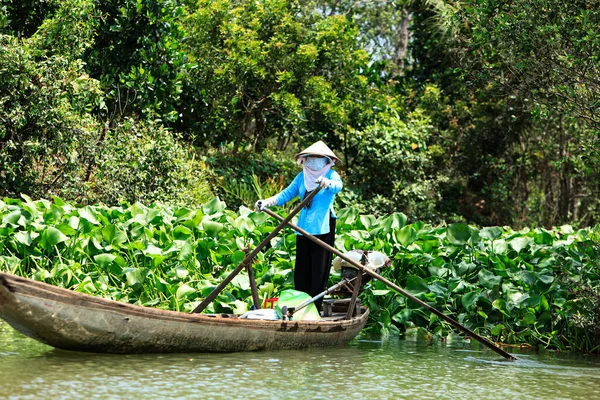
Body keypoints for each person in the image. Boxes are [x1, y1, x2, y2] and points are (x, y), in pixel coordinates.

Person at [255, 141, 343, 311]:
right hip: (303, 229)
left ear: (327, 160)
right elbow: (287, 194)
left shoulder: (331, 175)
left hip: (322, 228)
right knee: (301, 271)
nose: (314, 161)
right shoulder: (301, 177)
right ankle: (300, 308)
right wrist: (267, 202)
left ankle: (314, 309)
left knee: (318, 273)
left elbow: (338, 187)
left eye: (318, 158)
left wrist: (328, 183)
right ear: (305, 159)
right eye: (311, 158)